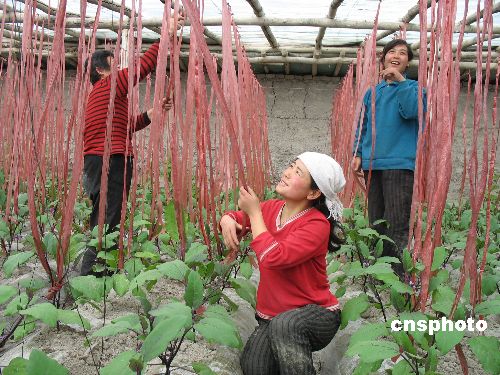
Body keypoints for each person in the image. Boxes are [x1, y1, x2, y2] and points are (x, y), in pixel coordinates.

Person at [220, 152, 345, 375]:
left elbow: (274, 257)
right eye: (291, 166)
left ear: (314, 192)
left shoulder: (316, 225)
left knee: (286, 325)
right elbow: (240, 217)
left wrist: (255, 213)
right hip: (274, 317)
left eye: (298, 173)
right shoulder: (271, 209)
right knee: (254, 365)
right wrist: (228, 218)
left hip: (316, 315)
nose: (287, 173)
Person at [80, 15, 184, 276]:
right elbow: (143, 67)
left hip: (100, 159)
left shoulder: (102, 96)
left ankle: (98, 268)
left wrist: (150, 113)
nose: (120, 70)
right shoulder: (108, 86)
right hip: (110, 159)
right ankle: (91, 273)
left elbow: (126, 127)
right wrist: (167, 34)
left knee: (105, 215)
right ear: (101, 71)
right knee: (108, 218)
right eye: (114, 66)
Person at [352, 39, 426, 278]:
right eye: (391, 51)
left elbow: (411, 111)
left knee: (397, 220)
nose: (396, 55)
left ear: (407, 63)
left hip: (399, 164)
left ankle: (397, 274)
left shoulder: (415, 88)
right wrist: (357, 153)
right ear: (382, 59)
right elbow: (363, 125)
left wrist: (401, 82)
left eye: (403, 53)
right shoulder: (372, 93)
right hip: (374, 163)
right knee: (377, 220)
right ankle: (379, 271)